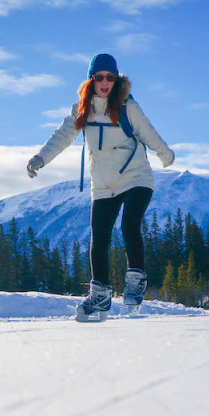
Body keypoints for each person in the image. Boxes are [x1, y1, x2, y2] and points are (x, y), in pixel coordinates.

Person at [27, 53, 175, 322]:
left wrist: (166, 155)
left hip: (135, 176)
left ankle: (136, 279)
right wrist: (40, 158)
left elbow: (148, 132)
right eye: (99, 77)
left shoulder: (127, 105)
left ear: (116, 79)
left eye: (110, 77)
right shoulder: (81, 109)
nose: (105, 82)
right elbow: (62, 136)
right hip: (103, 183)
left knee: (129, 224)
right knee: (100, 237)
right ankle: (100, 295)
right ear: (91, 80)